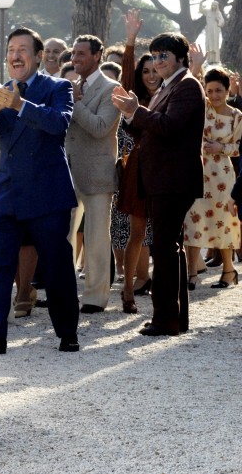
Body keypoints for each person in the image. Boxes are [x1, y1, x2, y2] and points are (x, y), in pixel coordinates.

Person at [0, 27, 80, 353]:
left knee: (57, 266)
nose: (16, 55)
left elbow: (59, 123)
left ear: (39, 56)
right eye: (11, 50)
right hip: (7, 194)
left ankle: (67, 332)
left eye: (23, 49)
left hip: (48, 194)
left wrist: (21, 105)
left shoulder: (58, 87)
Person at [111, 31, 206, 337]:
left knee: (165, 249)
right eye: (153, 55)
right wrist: (131, 116)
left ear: (181, 58)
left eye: (164, 55)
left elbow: (169, 126)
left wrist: (135, 111)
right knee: (167, 248)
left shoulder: (188, 86)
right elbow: (151, 132)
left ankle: (166, 319)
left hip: (172, 179)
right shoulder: (168, 86)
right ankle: (174, 318)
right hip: (159, 178)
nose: (158, 61)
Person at [66, 35, 122, 313]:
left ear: (97, 56)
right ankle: (64, 291)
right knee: (64, 235)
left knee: (97, 236)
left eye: (81, 54)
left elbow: (101, 127)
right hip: (67, 170)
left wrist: (75, 104)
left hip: (98, 172)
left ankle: (95, 297)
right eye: (73, 53)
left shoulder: (112, 88)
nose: (74, 58)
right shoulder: (69, 87)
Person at [114, 9, 159, 312]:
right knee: (138, 233)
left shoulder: (175, 95)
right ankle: (128, 289)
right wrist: (130, 41)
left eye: (156, 69)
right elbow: (126, 77)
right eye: (146, 72)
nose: (151, 75)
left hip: (168, 171)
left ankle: (165, 294)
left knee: (167, 236)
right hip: (139, 171)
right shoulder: (135, 99)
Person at [184, 67, 241, 289]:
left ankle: (228, 270)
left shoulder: (237, 116)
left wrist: (221, 147)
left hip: (223, 174)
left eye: (219, 90)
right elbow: (193, 86)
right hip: (197, 169)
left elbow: (239, 147)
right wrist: (197, 66)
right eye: (210, 90)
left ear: (227, 90)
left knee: (225, 220)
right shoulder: (203, 107)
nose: (214, 95)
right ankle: (191, 273)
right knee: (193, 218)